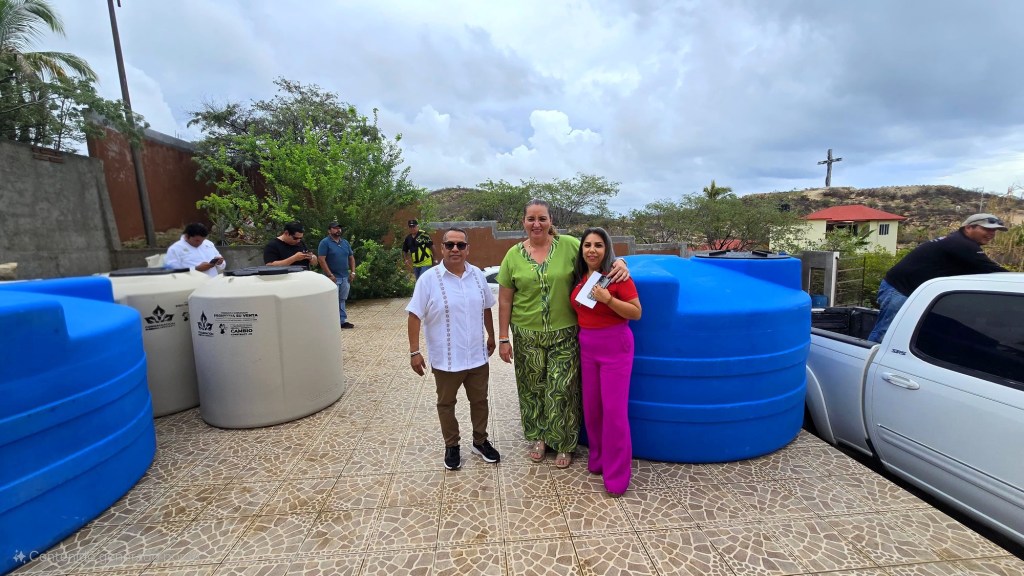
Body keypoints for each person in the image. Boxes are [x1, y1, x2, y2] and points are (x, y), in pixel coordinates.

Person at [496, 199, 628, 469]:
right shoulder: (512, 255)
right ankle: (539, 437)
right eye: (531, 219)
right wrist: (503, 338)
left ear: (550, 221)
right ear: (524, 222)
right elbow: (505, 299)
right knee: (532, 388)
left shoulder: (568, 246)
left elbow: (597, 255)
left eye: (542, 218)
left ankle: (564, 442)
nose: (537, 224)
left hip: (565, 333)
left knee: (562, 389)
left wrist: (621, 261)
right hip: (526, 333)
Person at [407, 227, 501, 470]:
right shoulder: (428, 279)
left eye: (460, 245)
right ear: (442, 248)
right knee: (446, 404)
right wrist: (414, 351)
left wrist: (492, 335)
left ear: (468, 249)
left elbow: (486, 307)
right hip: (447, 358)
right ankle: (452, 446)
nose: (455, 249)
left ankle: (480, 441)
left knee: (479, 401)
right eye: (450, 245)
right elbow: (414, 315)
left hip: (477, 356)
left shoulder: (477, 275)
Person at [570, 227, 641, 497]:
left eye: (598, 245)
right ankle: (598, 458)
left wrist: (609, 299)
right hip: (587, 347)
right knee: (592, 409)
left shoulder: (617, 276)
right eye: (587, 245)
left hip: (615, 347)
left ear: (606, 248)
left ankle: (617, 474)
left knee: (614, 412)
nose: (592, 250)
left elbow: (636, 312)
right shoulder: (580, 277)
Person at [868, 213, 1009, 343]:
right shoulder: (962, 244)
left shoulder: (957, 240)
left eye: (994, 231)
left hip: (910, 291)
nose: (991, 234)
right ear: (969, 228)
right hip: (900, 290)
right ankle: (868, 357)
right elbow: (993, 270)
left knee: (904, 333)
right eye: (987, 229)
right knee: (885, 332)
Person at [317, 221, 356, 329]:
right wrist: (329, 274)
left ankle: (342, 321)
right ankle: (331, 321)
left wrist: (353, 272)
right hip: (333, 277)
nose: (338, 230)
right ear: (329, 231)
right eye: (335, 228)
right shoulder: (325, 243)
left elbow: (351, 257)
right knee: (332, 300)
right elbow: (321, 259)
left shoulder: (345, 243)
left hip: (345, 277)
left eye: (339, 228)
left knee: (342, 299)